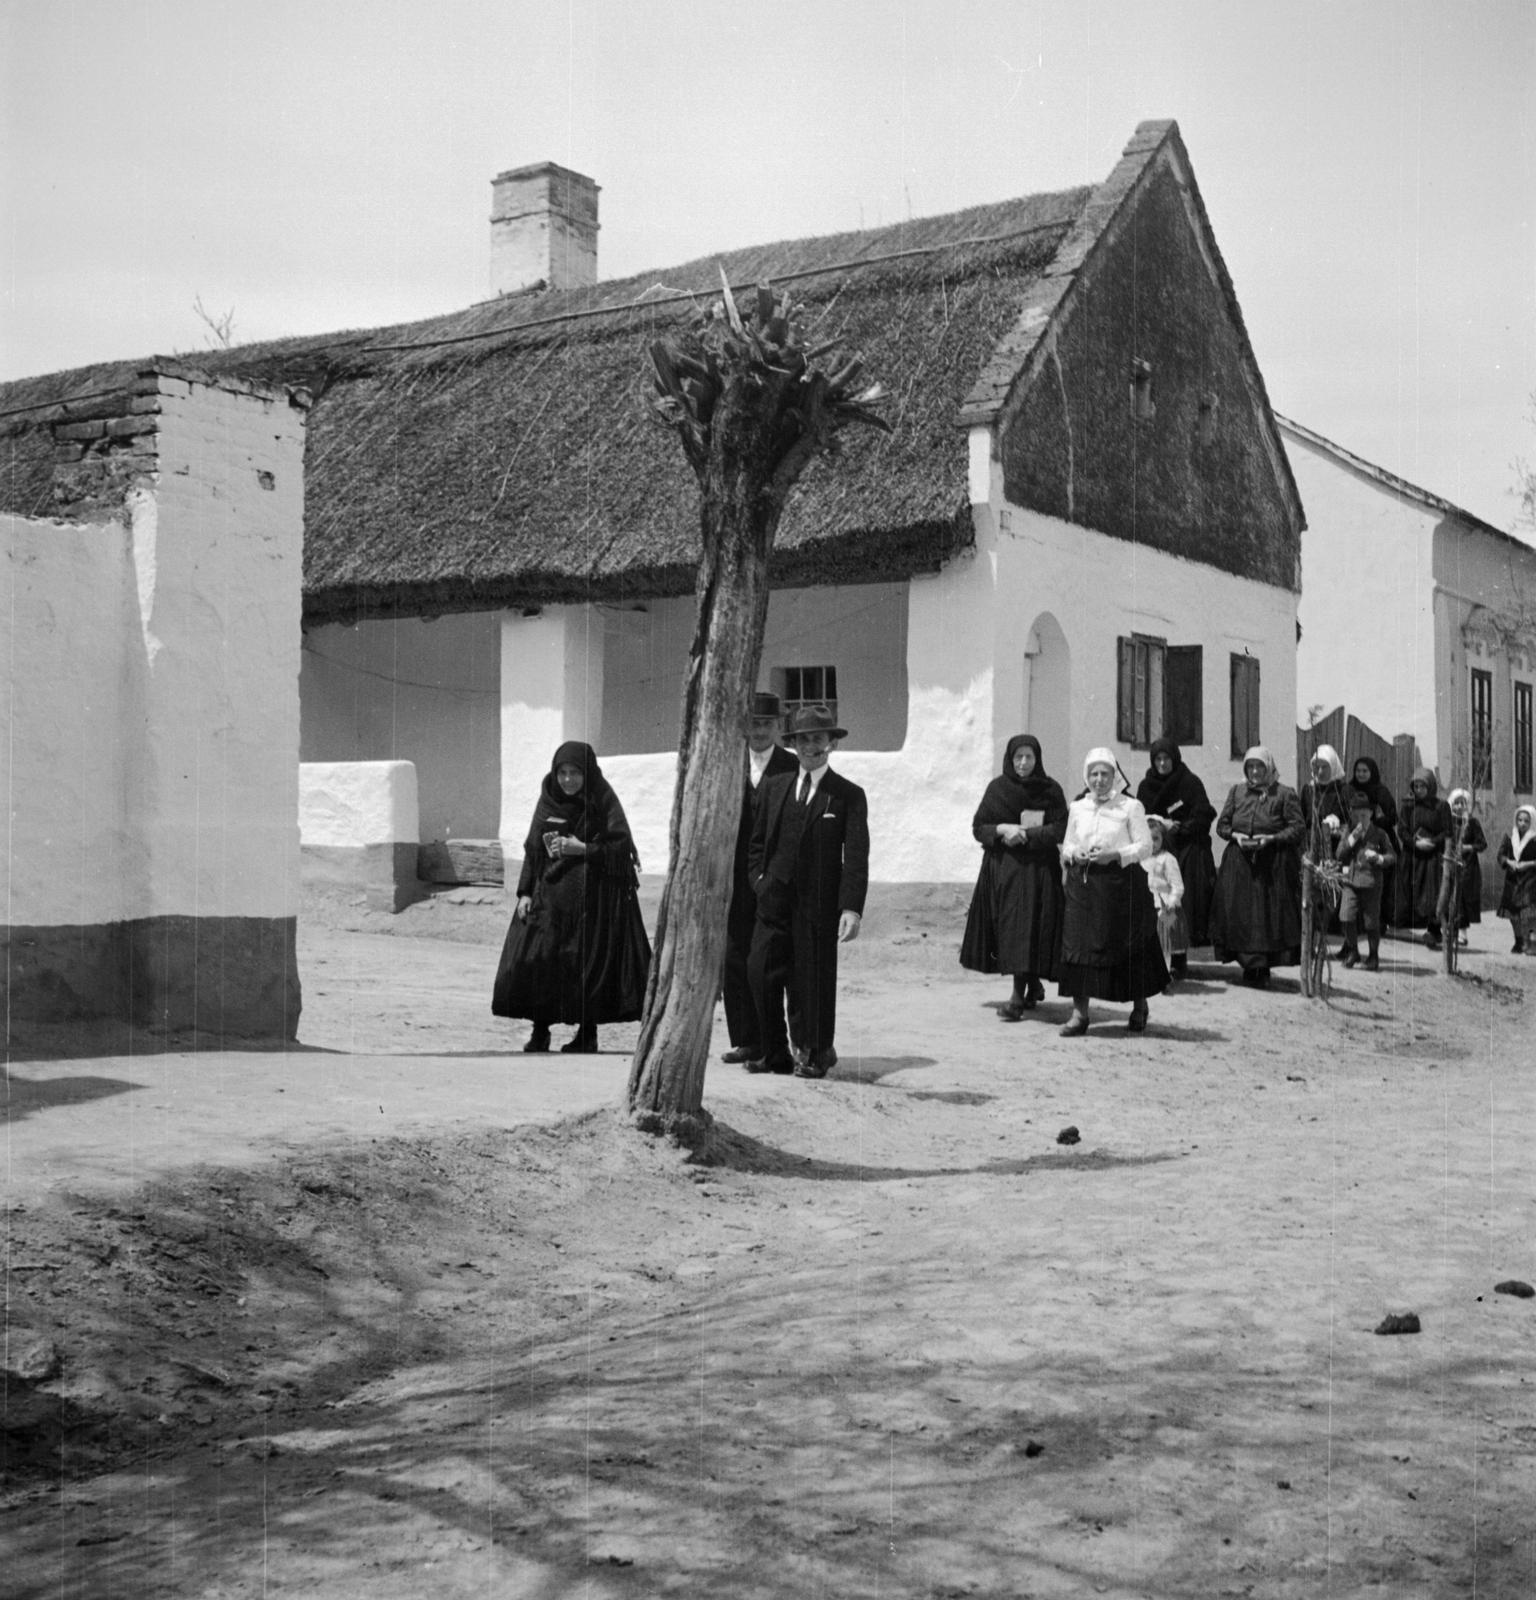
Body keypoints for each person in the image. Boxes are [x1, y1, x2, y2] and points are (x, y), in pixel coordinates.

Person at [491, 741, 651, 1053]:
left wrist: (583, 849)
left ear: (587, 773)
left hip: (592, 902)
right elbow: (533, 849)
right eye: (562, 772)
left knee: (585, 965)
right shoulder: (548, 798)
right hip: (549, 897)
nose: (567, 780)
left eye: (575, 773)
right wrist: (524, 892)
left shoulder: (603, 799)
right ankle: (540, 1031)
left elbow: (620, 849)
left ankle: (586, 1034)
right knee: (542, 960)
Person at [746, 704, 869, 1078]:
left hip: (817, 905)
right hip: (773, 900)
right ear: (794, 745)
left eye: (818, 739)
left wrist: (851, 908)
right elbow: (756, 843)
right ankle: (775, 1052)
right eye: (802, 740)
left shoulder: (847, 795)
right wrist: (759, 882)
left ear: (832, 744)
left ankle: (814, 1052)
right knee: (759, 971)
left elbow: (856, 856)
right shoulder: (774, 785)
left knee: (810, 982)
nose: (810, 747)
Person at [1056, 749, 1167, 1036]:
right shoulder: (1078, 807)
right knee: (1079, 948)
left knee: (1126, 948)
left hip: (1120, 887)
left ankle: (1139, 1006)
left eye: (1105, 773)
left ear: (1115, 775)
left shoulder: (1130, 807)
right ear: (1087, 776)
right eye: (1094, 773)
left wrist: (1115, 855)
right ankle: (1080, 1014)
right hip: (1083, 885)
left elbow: (1145, 846)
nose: (1099, 779)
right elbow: (1066, 844)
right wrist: (1075, 852)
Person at [959, 734, 1067, 1019]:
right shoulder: (998, 789)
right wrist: (1002, 830)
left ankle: (1017, 999)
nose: (1023, 763)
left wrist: (1027, 835)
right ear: (1009, 758)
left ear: (1037, 759)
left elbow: (1060, 828)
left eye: (1029, 757)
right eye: (1018, 757)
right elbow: (979, 827)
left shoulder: (1050, 789)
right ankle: (1031, 983)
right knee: (1014, 930)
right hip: (1004, 870)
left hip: (1039, 871)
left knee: (1030, 928)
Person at [721, 692, 798, 1065]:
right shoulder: (727, 763)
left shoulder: (790, 766)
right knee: (734, 956)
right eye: (753, 722)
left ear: (778, 727)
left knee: (768, 961)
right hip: (734, 879)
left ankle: (775, 1043)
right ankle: (746, 1040)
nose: (759, 730)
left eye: (766, 723)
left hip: (772, 879)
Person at [1210, 746, 1305, 987]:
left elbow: (1297, 828)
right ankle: (1247, 965)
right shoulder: (1237, 792)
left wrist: (1272, 838)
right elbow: (1222, 825)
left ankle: (1263, 967)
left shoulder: (1284, 794)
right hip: (1240, 863)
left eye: (1259, 767)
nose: (1254, 771)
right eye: (1250, 767)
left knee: (1267, 917)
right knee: (1241, 914)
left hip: (1272, 864)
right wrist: (1236, 836)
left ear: (1269, 768)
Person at [1135, 737, 1217, 974]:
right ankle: (1158, 959)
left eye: (1166, 759)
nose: (1162, 763)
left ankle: (1180, 960)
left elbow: (1203, 815)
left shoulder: (1189, 782)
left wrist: (1180, 827)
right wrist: (1161, 825)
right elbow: (1141, 819)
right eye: (1158, 759)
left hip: (1186, 850)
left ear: (1175, 759)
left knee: (1182, 905)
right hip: (1158, 850)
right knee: (1155, 904)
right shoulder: (1146, 786)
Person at [1334, 790, 1397, 970]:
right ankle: (1353, 950)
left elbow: (1392, 856)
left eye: (1363, 814)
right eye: (1355, 814)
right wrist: (1351, 840)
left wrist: (1379, 858)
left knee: (1371, 922)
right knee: (1345, 916)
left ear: (1371, 814)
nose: (1359, 818)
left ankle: (1373, 955)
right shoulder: (1348, 832)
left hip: (1371, 882)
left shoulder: (1379, 834)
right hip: (1350, 881)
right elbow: (1339, 855)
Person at [1396, 767, 1452, 949]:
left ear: (1431, 786)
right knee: (1411, 891)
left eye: (1422, 786)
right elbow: (1402, 830)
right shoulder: (1408, 806)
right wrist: (1415, 843)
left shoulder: (1441, 806)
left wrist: (1432, 842)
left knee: (1432, 894)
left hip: (1432, 858)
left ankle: (1434, 930)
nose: (1418, 789)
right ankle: (1411, 927)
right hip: (1412, 856)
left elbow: (1447, 832)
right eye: (1416, 786)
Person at [1347, 756, 1399, 925]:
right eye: (1358, 771)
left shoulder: (1380, 791)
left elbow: (1393, 817)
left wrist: (1372, 823)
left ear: (1372, 772)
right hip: (1355, 840)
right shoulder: (1349, 789)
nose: (1361, 774)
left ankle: (1380, 921)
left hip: (1379, 840)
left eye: (1365, 771)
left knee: (1379, 884)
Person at [1441, 788, 1488, 945]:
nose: (1460, 807)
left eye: (1463, 803)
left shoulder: (1472, 823)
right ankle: (1449, 931)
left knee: (1462, 899)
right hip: (1449, 863)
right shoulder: (1447, 822)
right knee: (1448, 897)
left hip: (1467, 866)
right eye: (1456, 803)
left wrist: (1468, 847)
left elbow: (1482, 844)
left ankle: (1462, 933)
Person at [1142, 817, 1187, 975]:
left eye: (1156, 839)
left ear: (1163, 839)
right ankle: (1148, 975)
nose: (1152, 843)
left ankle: (1164, 975)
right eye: (1148, 839)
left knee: (1164, 944)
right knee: (1145, 943)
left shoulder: (1168, 859)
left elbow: (1178, 886)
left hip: (1164, 908)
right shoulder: (1140, 859)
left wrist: (1172, 902)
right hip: (1145, 907)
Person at [1495, 804, 1536, 954]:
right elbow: (1500, 855)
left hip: (1531, 879)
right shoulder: (1510, 837)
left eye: (1526, 820)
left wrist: (1529, 864)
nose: (1522, 823)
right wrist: (1509, 862)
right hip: (1513, 880)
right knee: (1514, 914)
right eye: (1520, 820)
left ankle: (1532, 942)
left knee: (1530, 913)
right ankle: (1518, 941)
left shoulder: (1534, 838)